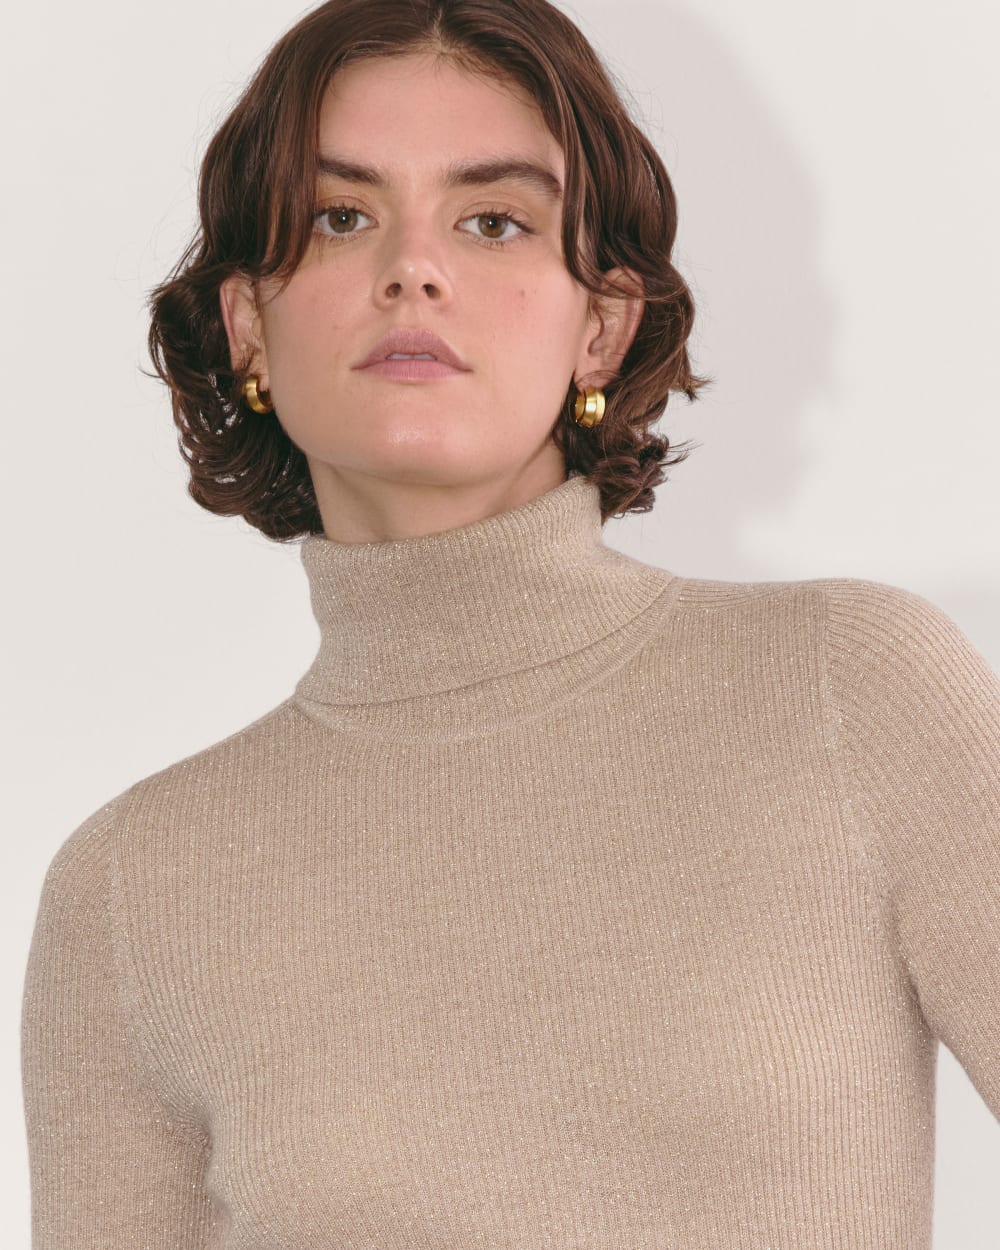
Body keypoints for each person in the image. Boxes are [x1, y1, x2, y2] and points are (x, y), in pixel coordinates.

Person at [19, 0, 999, 1246]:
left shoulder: (847, 692)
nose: (412, 269)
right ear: (248, 323)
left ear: (601, 325)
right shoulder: (131, 886)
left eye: (492, 221)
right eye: (339, 217)